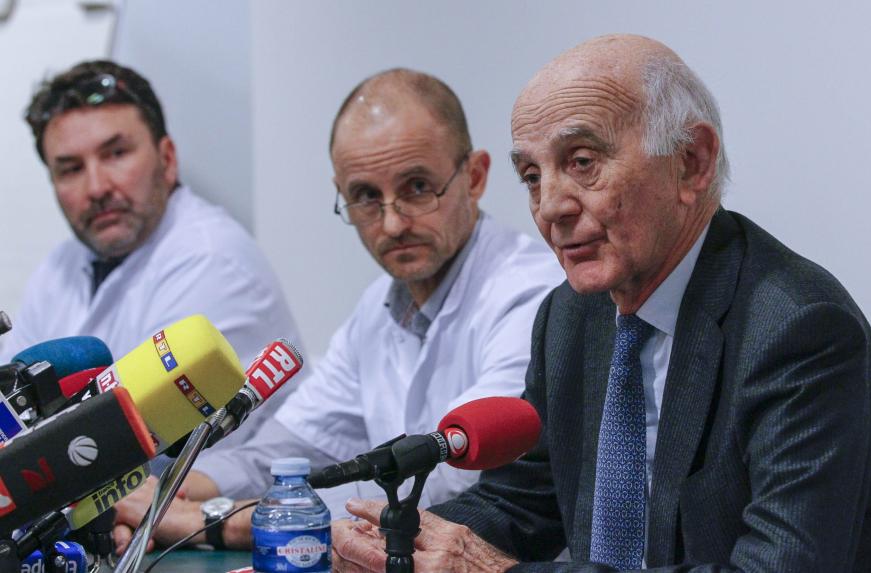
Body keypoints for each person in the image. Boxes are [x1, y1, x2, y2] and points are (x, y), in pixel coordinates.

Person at [332, 35, 871, 572]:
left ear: (691, 162)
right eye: (532, 176)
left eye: (582, 162)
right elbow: (521, 500)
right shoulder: (569, 317)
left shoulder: (800, 330)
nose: (550, 206)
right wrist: (392, 546)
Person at [112, 68, 563, 552]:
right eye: (366, 196)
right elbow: (284, 453)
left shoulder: (532, 294)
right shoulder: (378, 306)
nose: (392, 222)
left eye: (416, 187)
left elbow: (444, 489)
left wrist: (218, 518)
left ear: (474, 177)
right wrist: (159, 497)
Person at [6, 59, 308, 546]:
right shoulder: (61, 266)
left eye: (116, 153)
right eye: (70, 169)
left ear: (167, 159)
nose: (98, 186)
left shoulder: (212, 258)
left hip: (227, 532)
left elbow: (131, 454)